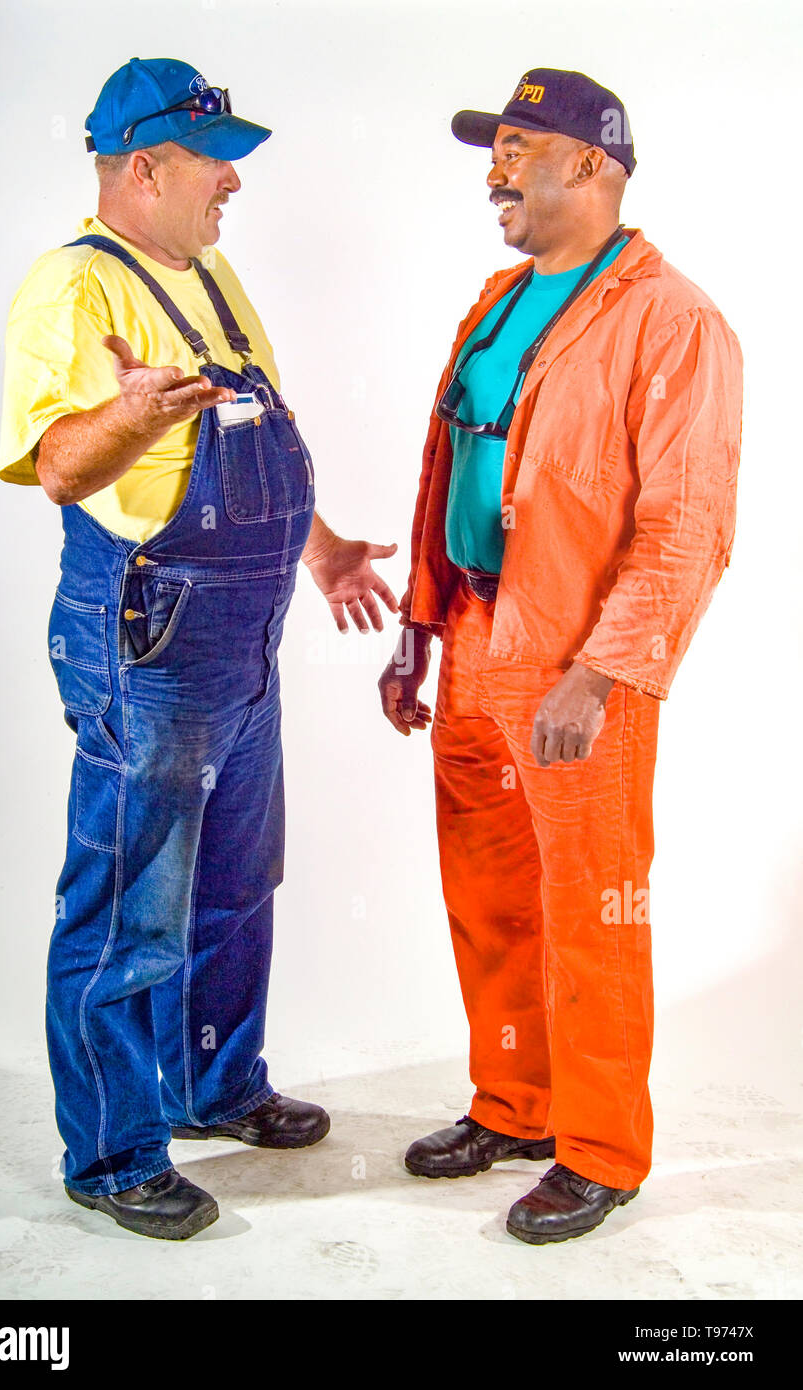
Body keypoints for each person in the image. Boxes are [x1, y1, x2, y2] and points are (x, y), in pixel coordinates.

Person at [0, 56, 398, 1241]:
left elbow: (256, 418)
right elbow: (63, 468)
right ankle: (115, 1152)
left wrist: (321, 549)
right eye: (215, 162)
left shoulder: (207, 276)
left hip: (246, 638)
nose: (233, 182)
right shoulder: (69, 291)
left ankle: (213, 1084)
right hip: (150, 636)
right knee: (130, 902)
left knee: (233, 879)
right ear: (144, 166)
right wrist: (133, 410)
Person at [378, 67, 742, 1244]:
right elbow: (453, 473)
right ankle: (517, 1103)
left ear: (591, 163)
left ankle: (599, 1150)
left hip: (580, 663)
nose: (496, 169)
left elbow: (688, 524)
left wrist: (603, 671)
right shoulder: (496, 298)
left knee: (594, 907)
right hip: (476, 638)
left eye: (518, 146)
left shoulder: (673, 320)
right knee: (490, 898)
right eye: (494, 146)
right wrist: (417, 631)